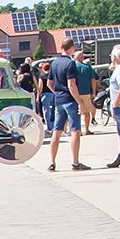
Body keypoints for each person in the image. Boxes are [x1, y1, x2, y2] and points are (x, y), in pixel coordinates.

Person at [47, 38, 89, 171]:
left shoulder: (54, 63)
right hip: (70, 100)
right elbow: (72, 85)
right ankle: (75, 162)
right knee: (75, 130)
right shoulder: (70, 64)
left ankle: (52, 162)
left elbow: (49, 83)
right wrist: (80, 102)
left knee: (57, 131)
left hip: (59, 100)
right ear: (72, 47)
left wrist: (57, 93)